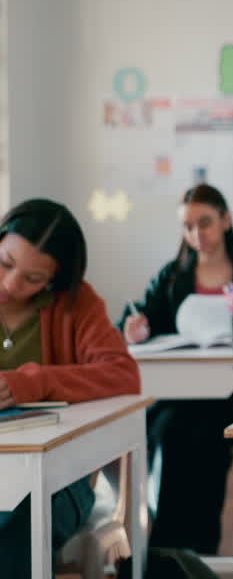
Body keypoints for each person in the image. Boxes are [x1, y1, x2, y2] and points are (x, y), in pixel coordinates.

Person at [120, 184, 233, 553]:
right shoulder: (172, 277)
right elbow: (136, 320)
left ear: (226, 220)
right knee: (172, 433)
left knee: (205, 437)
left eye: (204, 223)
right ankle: (169, 554)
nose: (196, 234)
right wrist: (133, 326)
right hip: (180, 397)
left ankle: (193, 552)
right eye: (187, 226)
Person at [0, 199, 141, 576]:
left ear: (55, 280)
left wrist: (36, 382)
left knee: (19, 524)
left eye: (32, 279)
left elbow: (123, 373)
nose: (11, 285)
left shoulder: (75, 303)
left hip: (58, 476)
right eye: (6, 264)